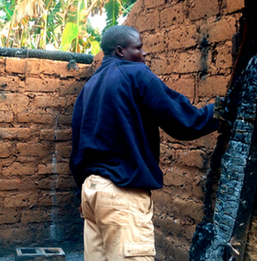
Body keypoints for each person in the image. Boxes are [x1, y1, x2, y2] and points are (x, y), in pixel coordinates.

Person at [69, 25, 220, 260]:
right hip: (122, 194)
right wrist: (220, 111)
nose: (144, 53)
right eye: (138, 48)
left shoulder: (89, 86)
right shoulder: (137, 74)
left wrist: (83, 190)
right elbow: (183, 122)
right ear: (120, 51)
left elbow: (77, 141)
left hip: (92, 193)